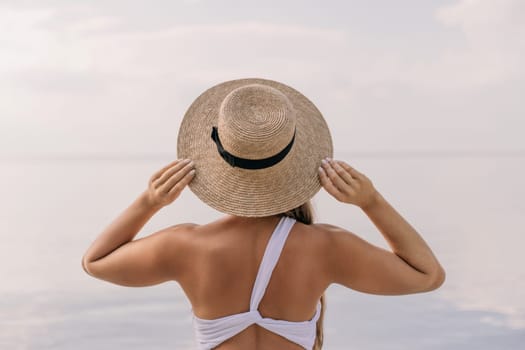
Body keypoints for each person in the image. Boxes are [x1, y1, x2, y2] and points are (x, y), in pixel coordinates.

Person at [81, 78, 446, 350]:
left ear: (218, 164)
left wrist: (150, 201)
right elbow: (428, 276)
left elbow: (95, 262)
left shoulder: (186, 244)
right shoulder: (327, 247)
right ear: (297, 164)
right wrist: (371, 201)